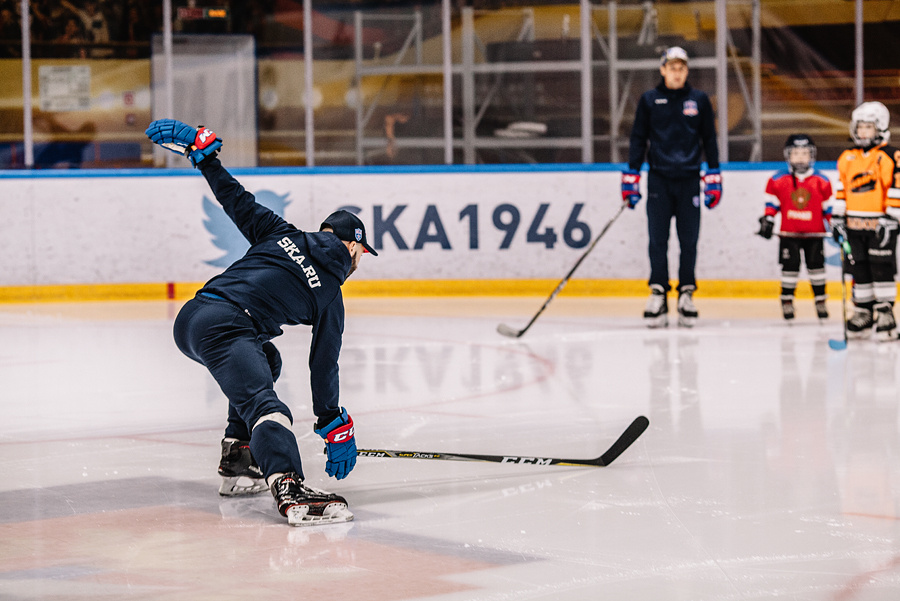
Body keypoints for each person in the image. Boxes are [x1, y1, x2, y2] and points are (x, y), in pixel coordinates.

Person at [145, 118, 377, 526]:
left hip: (193, 317)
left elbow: (235, 199)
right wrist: (332, 422)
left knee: (267, 360)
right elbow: (324, 365)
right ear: (352, 245)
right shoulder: (330, 295)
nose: (359, 261)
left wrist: (205, 159)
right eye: (361, 253)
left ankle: (240, 459)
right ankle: (289, 486)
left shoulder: (280, 233)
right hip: (228, 326)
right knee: (266, 405)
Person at [622, 46, 721, 328]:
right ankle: (658, 292)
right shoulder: (649, 100)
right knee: (658, 240)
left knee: (689, 241)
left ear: (686, 71)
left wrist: (713, 174)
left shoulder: (699, 100)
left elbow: (709, 139)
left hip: (689, 180)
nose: (677, 73)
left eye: (681, 68)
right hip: (659, 180)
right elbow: (638, 138)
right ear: (662, 70)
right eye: (672, 68)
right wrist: (632, 175)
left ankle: (686, 293)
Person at [832, 101, 900, 341]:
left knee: (881, 268)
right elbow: (842, 188)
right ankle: (863, 312)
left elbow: (896, 186)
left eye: (868, 127)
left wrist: (892, 218)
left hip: (880, 225)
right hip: (854, 225)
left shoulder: (890, 155)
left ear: (880, 128)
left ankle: (885, 313)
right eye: (860, 127)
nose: (862, 132)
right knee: (858, 268)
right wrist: (838, 217)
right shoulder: (848, 157)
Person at [757, 134, 833, 321]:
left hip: (815, 234)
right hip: (789, 234)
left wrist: (835, 224)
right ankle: (787, 301)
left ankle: (820, 300)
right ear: (788, 155)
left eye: (804, 153)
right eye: (796, 153)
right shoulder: (777, 179)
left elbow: (828, 208)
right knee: (790, 267)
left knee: (817, 267)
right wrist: (768, 219)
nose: (800, 157)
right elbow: (771, 204)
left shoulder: (822, 180)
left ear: (811, 155)